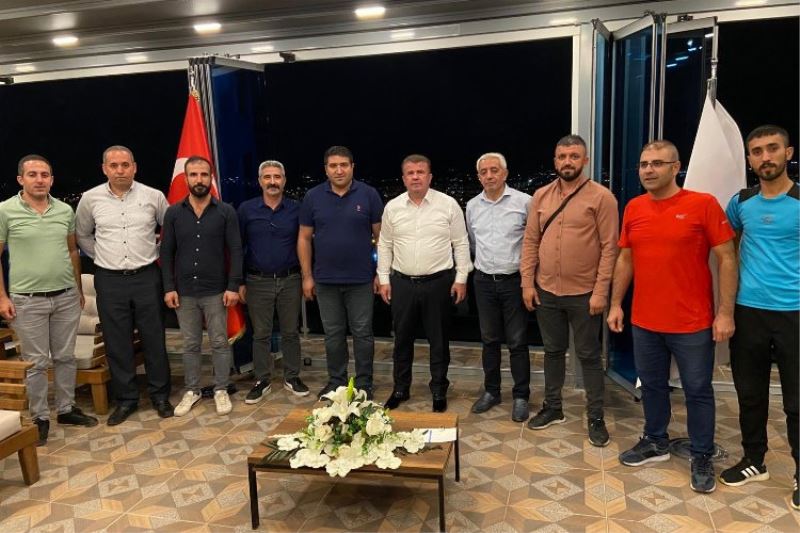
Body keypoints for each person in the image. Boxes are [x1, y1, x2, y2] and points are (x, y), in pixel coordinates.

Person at [607, 139, 737, 494]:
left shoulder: (702, 204)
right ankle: (655, 440)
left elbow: (727, 257)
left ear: (675, 167)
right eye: (643, 164)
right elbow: (626, 259)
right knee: (651, 386)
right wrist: (616, 304)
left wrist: (725, 313)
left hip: (692, 322)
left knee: (697, 390)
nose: (648, 170)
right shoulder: (634, 207)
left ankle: (701, 454)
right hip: (645, 321)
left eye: (657, 163)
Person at [519, 135, 618, 446]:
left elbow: (610, 248)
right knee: (552, 352)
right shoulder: (541, 196)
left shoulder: (602, 198)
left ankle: (596, 416)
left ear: (585, 160)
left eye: (574, 156)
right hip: (546, 290)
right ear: (555, 161)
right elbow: (530, 242)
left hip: (585, 294)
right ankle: (553, 407)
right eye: (562, 156)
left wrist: (601, 292)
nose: (567, 162)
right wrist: (527, 283)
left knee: (589, 355)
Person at [720, 124, 799, 509]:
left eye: (772, 148)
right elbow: (729, 249)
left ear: (788, 153)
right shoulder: (741, 202)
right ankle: (754, 460)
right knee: (750, 393)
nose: (765, 157)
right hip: (749, 311)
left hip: (794, 313)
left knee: (797, 401)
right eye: (757, 151)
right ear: (750, 159)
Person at [0, 154, 97, 446]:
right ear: (21, 179)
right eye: (33, 175)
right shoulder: (5, 210)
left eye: (44, 175)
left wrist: (77, 289)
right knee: (37, 362)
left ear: (52, 180)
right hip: (27, 300)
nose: (39, 180)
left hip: (66, 296)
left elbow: (72, 251)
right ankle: (40, 417)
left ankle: (66, 409)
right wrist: (2, 297)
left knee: (65, 356)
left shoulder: (64, 210)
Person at [76, 145, 174, 425]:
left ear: (134, 167)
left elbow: (170, 230)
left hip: (147, 276)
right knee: (117, 342)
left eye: (125, 165)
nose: (120, 170)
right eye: (114, 165)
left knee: (154, 339)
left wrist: (155, 251)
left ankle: (160, 396)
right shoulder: (90, 198)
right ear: (104, 169)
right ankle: (126, 400)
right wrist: (103, 256)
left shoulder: (153, 196)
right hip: (109, 279)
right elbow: (82, 235)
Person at [377, 154, 472, 412]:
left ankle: (439, 389)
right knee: (401, 340)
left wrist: (461, 278)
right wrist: (384, 279)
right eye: (410, 173)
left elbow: (461, 243)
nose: (416, 176)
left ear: (430, 177)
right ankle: (400, 388)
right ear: (404, 178)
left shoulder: (448, 204)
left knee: (439, 340)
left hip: (439, 283)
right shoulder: (393, 207)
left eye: (420, 172)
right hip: (402, 283)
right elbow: (385, 245)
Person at [298, 146, 383, 399]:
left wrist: (381, 273)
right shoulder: (313, 197)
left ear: (352, 167)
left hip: (361, 280)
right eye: (333, 166)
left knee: (363, 334)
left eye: (343, 165)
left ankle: (364, 384)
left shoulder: (368, 194)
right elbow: (304, 238)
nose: (339, 170)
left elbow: (381, 238)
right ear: (326, 169)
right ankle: (336, 381)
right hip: (325, 280)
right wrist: (307, 276)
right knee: (333, 335)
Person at [161, 155, 242, 417]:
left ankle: (221, 388)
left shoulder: (226, 212)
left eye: (204, 174)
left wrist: (233, 286)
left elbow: (236, 251)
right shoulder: (174, 213)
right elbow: (166, 253)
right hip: (184, 291)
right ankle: (192, 390)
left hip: (217, 290)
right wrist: (168, 287)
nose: (199, 179)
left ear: (211, 178)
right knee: (190, 344)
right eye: (194, 174)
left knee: (219, 342)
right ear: (186, 178)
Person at [466, 152, 532, 422]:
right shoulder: (472, 206)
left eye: (494, 170)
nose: (489, 175)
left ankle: (521, 396)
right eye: (484, 172)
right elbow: (473, 242)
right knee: (489, 340)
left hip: (514, 281)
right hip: (483, 281)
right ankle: (491, 391)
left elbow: (532, 242)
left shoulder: (524, 202)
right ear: (479, 176)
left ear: (505, 173)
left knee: (517, 341)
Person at [238, 159, 308, 403]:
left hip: (291, 279)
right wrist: (239, 282)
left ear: (284, 180)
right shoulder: (246, 210)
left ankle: (292, 376)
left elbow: (306, 242)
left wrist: (307, 276)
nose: (272, 181)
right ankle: (262, 379)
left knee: (290, 332)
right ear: (260, 181)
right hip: (257, 281)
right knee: (260, 334)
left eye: (277, 177)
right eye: (267, 177)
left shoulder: (296, 209)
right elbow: (238, 247)